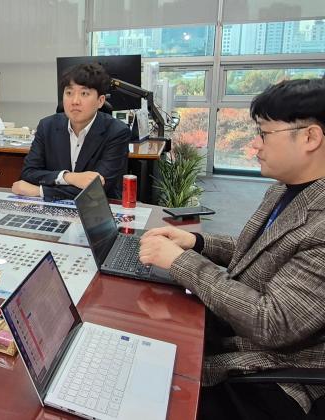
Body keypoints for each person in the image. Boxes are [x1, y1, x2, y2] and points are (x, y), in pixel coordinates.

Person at [139, 78, 325, 419]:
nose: (256, 145)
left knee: (142, 387)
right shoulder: (287, 190)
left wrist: (183, 263)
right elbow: (260, 251)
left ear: (310, 137)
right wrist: (196, 242)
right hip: (235, 335)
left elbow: (272, 321)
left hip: (270, 376)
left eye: (265, 133)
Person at [12, 63, 130, 201]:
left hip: (97, 210)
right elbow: (28, 173)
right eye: (69, 93)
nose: (75, 101)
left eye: (84, 93)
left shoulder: (117, 132)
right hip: (52, 211)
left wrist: (40, 191)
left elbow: (96, 189)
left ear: (100, 101)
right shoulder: (47, 126)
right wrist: (68, 177)